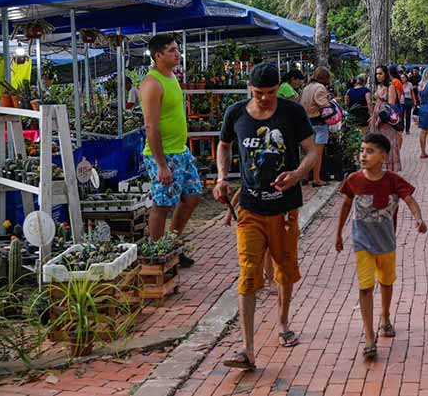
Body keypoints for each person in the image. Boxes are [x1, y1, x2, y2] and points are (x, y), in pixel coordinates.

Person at [213, 63, 320, 370]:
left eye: (270, 93)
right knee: (248, 274)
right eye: (259, 93)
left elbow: (311, 150)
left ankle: (284, 322)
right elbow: (223, 146)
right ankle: (247, 350)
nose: (264, 99)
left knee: (285, 270)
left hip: (285, 209)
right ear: (250, 88)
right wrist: (222, 178)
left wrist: (298, 173)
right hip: (249, 208)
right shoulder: (235, 113)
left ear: (278, 88)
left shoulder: (292, 112)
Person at [335, 133, 428, 359]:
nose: (363, 155)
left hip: (386, 242)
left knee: (386, 282)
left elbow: (409, 200)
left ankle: (385, 316)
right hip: (362, 242)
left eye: (370, 151)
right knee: (365, 286)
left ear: (383, 157)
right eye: (362, 150)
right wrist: (338, 233)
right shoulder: (354, 180)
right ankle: (369, 337)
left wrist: (418, 218)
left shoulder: (393, 180)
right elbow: (346, 205)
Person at [140, 34, 200, 267]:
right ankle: (156, 256)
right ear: (158, 55)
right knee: (162, 204)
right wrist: (161, 164)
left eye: (178, 49)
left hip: (181, 151)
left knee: (193, 196)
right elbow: (150, 125)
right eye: (173, 50)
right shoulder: (152, 83)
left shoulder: (171, 76)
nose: (178, 54)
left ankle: (171, 245)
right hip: (164, 155)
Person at [300, 67, 334, 187]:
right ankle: (316, 179)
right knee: (318, 153)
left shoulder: (307, 87)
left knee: (308, 152)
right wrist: (331, 101)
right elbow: (323, 104)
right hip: (318, 123)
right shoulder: (320, 88)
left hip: (306, 122)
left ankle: (304, 177)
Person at [370, 65, 402, 172]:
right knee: (379, 143)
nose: (378, 76)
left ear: (385, 74)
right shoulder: (379, 87)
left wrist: (380, 118)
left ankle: (390, 169)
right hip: (377, 117)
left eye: (380, 73)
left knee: (388, 143)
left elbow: (390, 106)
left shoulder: (390, 87)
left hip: (386, 119)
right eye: (377, 73)